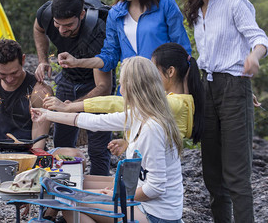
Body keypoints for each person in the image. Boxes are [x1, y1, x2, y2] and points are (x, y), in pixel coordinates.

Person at [177, 0, 268, 223]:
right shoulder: (197, 9)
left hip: (233, 90)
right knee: (212, 174)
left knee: (236, 174)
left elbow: (258, 37)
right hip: (207, 89)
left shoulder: (235, 3)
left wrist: (254, 56)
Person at [32, 56, 184, 223]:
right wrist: (48, 114)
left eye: (122, 82)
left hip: (157, 214)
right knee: (79, 184)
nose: (120, 88)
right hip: (145, 200)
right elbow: (94, 122)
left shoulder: (151, 128)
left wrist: (116, 195)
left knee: (70, 206)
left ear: (131, 87)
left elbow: (156, 188)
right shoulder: (139, 115)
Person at [44, 42, 204, 156]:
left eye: (154, 70)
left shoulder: (173, 104)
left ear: (170, 72)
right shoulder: (173, 101)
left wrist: (70, 107)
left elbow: (119, 103)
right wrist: (128, 144)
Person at [58, 0, 191, 85]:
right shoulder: (115, 13)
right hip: (129, 91)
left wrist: (183, 92)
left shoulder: (166, 5)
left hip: (161, 91)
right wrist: (76, 62)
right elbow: (109, 57)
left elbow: (183, 51)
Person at [34, 0, 113, 176]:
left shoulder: (98, 31)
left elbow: (103, 86)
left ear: (82, 14)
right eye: (57, 24)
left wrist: (71, 106)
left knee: (98, 149)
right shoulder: (46, 13)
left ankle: (96, 199)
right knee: (61, 144)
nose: (61, 31)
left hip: (94, 86)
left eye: (68, 25)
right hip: (67, 80)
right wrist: (43, 60)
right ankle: (62, 190)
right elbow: (38, 28)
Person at [0, 39, 53, 154]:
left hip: (29, 153)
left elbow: (39, 143)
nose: (9, 79)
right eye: (2, 74)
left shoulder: (39, 91)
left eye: (14, 73)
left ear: (23, 60)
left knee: (74, 154)